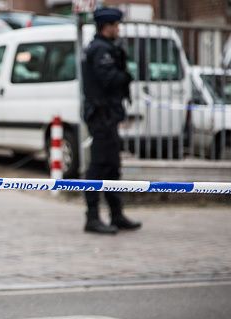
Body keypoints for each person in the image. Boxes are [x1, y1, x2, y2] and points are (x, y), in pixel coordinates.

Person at [81, 7, 142, 234]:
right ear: (107, 27)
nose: (119, 29)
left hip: (107, 116)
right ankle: (92, 217)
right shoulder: (100, 50)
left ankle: (116, 215)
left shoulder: (103, 48)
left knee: (112, 168)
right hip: (101, 117)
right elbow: (108, 80)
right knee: (98, 168)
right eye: (116, 26)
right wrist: (125, 74)